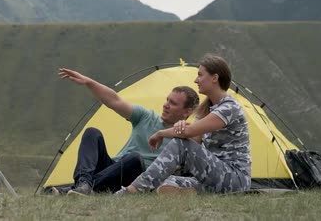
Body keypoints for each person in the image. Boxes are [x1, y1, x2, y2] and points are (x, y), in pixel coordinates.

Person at [115, 54, 251, 195]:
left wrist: (161, 133)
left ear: (214, 78)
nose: (196, 80)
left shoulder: (229, 108)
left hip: (235, 179)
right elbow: (194, 139)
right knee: (165, 180)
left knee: (181, 145)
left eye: (200, 75)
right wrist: (180, 127)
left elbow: (189, 133)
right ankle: (188, 193)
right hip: (215, 177)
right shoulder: (206, 109)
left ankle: (133, 189)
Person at [57, 68, 199, 195]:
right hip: (112, 168)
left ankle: (77, 188)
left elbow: (199, 144)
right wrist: (89, 82)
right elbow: (114, 100)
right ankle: (83, 184)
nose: (165, 105)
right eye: (167, 100)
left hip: (135, 178)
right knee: (92, 133)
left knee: (135, 159)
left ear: (187, 112)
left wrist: (182, 131)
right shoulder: (146, 116)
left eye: (173, 103)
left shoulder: (186, 137)